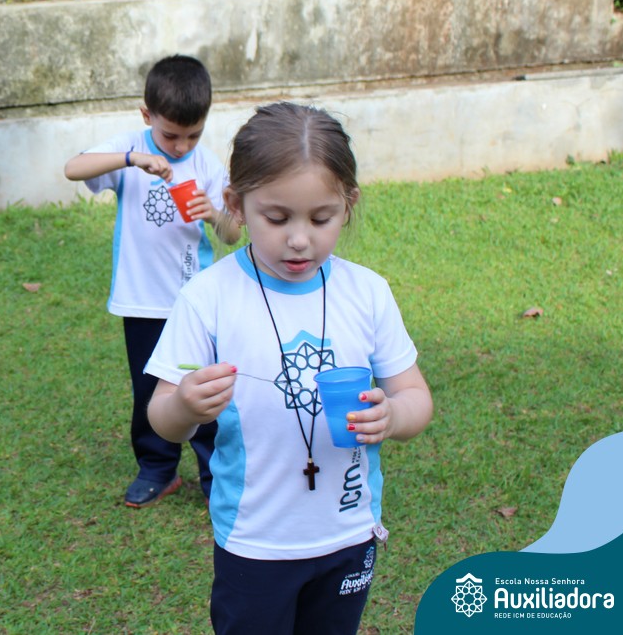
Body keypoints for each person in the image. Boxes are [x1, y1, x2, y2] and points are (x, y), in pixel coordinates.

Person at [145, 101, 433, 634]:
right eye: (276, 218)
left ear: (348, 205)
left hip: (348, 533)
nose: (300, 239)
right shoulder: (208, 298)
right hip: (255, 542)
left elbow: (416, 397)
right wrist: (184, 404)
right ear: (236, 205)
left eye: (321, 218)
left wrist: (393, 415)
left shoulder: (367, 293)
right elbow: (162, 417)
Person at [64, 55, 241, 507]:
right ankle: (157, 470)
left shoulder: (206, 165)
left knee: (201, 389)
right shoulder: (129, 149)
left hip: (194, 302)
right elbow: (73, 168)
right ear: (147, 116)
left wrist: (214, 214)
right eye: (170, 135)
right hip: (141, 300)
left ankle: (216, 476)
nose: (181, 147)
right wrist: (133, 159)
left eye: (193, 135)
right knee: (149, 391)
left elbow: (232, 234)